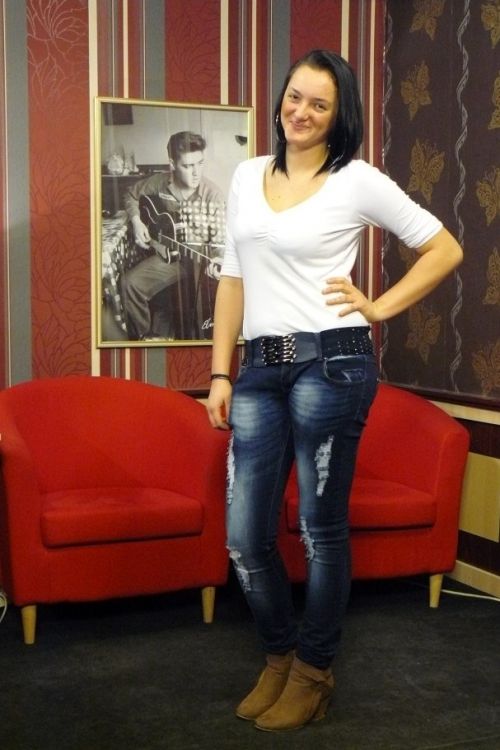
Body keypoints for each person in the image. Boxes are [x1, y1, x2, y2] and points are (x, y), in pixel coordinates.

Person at [206, 49, 463, 733]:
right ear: (281, 98)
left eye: (319, 104)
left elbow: (444, 248)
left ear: (338, 114)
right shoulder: (248, 175)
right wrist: (221, 372)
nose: (301, 112)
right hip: (258, 370)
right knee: (245, 537)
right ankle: (278, 656)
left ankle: (314, 672)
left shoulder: (357, 180)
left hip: (332, 363)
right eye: (295, 96)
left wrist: (378, 308)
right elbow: (232, 278)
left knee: (321, 530)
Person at [121, 131, 225, 340]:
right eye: (188, 166)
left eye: (200, 163)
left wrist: (218, 259)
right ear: (172, 164)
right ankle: (144, 338)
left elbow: (220, 240)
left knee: (199, 322)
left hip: (199, 262)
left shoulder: (213, 194)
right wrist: (136, 221)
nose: (196, 173)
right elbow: (131, 194)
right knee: (128, 284)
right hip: (169, 257)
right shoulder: (160, 182)